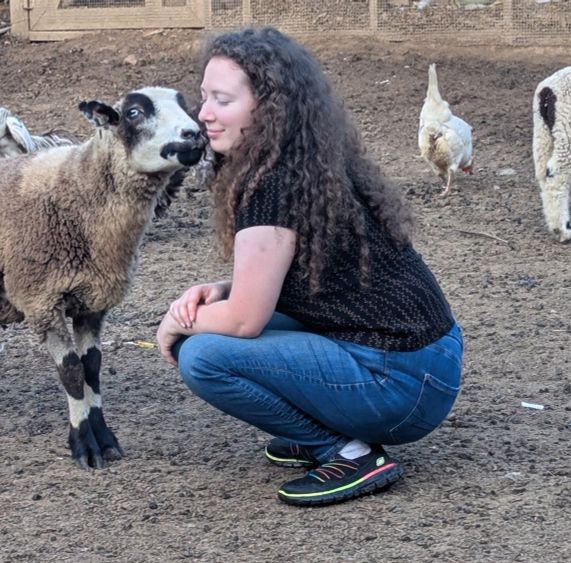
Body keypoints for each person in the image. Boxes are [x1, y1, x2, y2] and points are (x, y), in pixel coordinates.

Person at [155, 26, 462, 507]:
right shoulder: (306, 162)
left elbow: (244, 318)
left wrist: (176, 322)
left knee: (204, 354)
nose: (204, 114)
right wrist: (220, 288)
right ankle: (325, 424)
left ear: (269, 107)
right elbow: (297, 280)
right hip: (426, 360)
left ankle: (348, 450)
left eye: (222, 100)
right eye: (204, 97)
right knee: (229, 321)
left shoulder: (273, 185)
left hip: (404, 383)